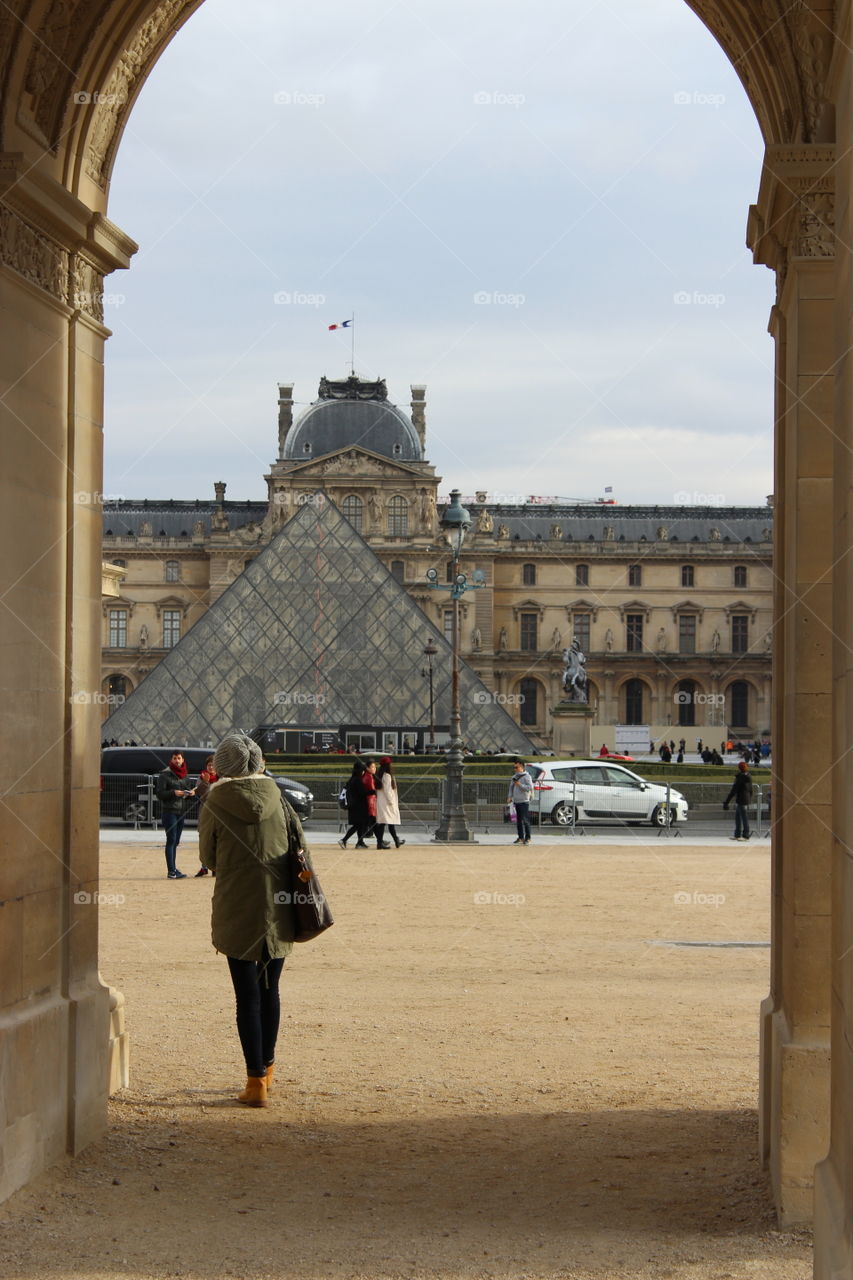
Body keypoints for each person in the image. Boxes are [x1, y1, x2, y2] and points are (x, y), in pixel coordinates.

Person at [199, 733, 304, 1108]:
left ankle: (254, 1081)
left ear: (223, 767)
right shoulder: (280, 798)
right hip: (279, 906)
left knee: (246, 997)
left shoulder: (214, 802)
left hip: (237, 907)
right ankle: (270, 1070)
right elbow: (299, 847)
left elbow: (208, 857)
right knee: (270, 990)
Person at [155, 751, 196, 879]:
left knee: (176, 841)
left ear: (183, 760)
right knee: (171, 840)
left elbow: (187, 796)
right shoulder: (165, 775)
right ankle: (171, 871)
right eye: (174, 758)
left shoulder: (185, 777)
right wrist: (173, 793)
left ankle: (173, 869)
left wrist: (191, 795)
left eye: (179, 758)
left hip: (181, 812)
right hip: (169, 812)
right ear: (171, 760)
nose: (177, 760)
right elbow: (160, 794)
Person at [194, 755, 218, 876]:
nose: (211, 767)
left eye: (213, 764)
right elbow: (203, 796)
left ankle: (215, 867)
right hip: (205, 812)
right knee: (204, 839)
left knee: (216, 839)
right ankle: (204, 866)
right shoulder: (201, 778)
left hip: (218, 813)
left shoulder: (221, 778)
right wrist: (206, 782)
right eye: (209, 765)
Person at [374, 756, 406, 849]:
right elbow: (388, 791)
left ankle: (395, 840)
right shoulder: (387, 776)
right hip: (387, 802)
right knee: (387, 822)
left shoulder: (379, 775)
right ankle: (381, 843)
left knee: (385, 822)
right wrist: (391, 801)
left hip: (381, 801)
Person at [338, 757, 368, 848]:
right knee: (358, 825)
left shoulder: (352, 779)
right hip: (358, 806)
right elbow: (362, 793)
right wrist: (371, 792)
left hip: (353, 806)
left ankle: (360, 842)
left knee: (359, 824)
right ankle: (344, 840)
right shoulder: (358, 780)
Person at [723, 760, 754, 840]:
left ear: (739, 768)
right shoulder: (748, 776)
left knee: (743, 818)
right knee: (738, 817)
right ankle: (737, 834)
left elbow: (734, 790)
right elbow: (751, 789)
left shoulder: (741, 778)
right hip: (745, 799)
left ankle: (745, 835)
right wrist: (750, 798)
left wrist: (727, 802)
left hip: (741, 799)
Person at [508, 759, 534, 846]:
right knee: (518, 821)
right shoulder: (514, 777)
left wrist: (520, 785)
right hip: (516, 801)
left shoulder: (527, 776)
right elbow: (511, 788)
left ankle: (528, 838)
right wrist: (510, 796)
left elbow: (529, 787)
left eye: (516, 767)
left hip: (524, 801)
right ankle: (520, 837)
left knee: (525, 820)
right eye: (514, 767)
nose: (515, 769)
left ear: (522, 767)